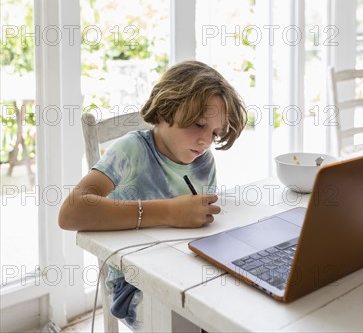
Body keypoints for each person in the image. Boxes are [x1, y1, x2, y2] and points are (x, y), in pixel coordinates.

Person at [59, 60, 247, 331]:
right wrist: (169, 212)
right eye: (197, 124)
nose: (206, 141)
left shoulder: (204, 161)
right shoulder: (132, 150)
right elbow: (71, 212)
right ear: (166, 108)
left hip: (186, 273)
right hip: (133, 285)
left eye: (214, 133)